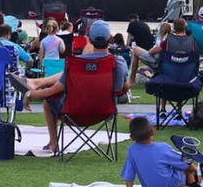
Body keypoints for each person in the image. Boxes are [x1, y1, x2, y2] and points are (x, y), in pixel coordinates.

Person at [11, 20, 128, 154]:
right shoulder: (118, 63)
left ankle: (53, 143)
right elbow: (119, 89)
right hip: (104, 113)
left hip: (73, 113)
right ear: (111, 39)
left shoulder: (76, 63)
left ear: (89, 38)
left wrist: (30, 95)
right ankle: (36, 83)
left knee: (49, 99)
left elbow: (54, 90)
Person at [121, 116, 195, 187]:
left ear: (131, 137)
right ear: (152, 132)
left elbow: (129, 174)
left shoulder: (132, 150)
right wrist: (194, 169)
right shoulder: (163, 147)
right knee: (185, 165)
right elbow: (186, 165)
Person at [128, 17, 190, 85]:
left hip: (161, 64)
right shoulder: (188, 41)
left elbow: (152, 52)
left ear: (174, 28)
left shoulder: (169, 40)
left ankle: (132, 80)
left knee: (136, 50)